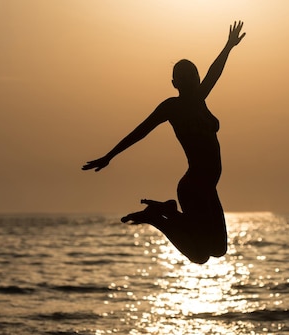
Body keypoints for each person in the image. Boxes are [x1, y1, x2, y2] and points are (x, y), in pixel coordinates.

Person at [83, 21, 246, 264]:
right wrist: (109, 156)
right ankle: (157, 218)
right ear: (175, 84)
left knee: (219, 250)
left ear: (197, 78)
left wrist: (228, 46)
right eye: (183, 77)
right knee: (200, 255)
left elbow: (215, 71)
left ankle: (166, 211)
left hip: (208, 187)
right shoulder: (173, 107)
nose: (190, 80)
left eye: (193, 75)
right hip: (193, 187)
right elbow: (140, 131)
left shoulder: (200, 99)